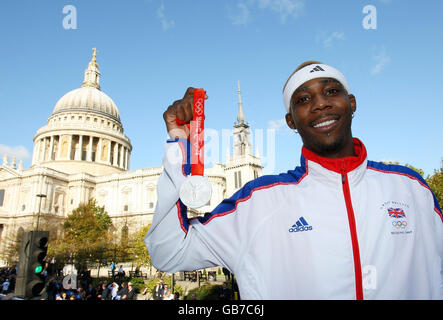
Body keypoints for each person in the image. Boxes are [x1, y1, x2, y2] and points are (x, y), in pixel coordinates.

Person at [145, 62, 443, 299]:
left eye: (331, 92)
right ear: (290, 120)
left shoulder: (411, 188)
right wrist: (181, 144)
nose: (320, 104)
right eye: (303, 99)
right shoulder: (258, 201)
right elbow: (169, 252)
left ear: (351, 102)